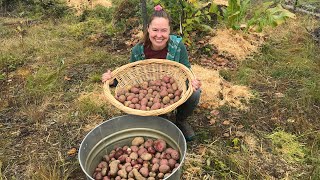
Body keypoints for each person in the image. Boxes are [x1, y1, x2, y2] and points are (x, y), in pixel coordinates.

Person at [102, 5, 201, 141]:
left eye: (164, 31)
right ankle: (159, 119)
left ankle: (180, 121)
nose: (159, 35)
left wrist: (193, 81)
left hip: (173, 85)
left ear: (169, 31)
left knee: (195, 93)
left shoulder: (178, 46)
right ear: (148, 29)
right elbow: (131, 75)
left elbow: (186, 69)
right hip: (149, 90)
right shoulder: (138, 50)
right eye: (155, 30)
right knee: (152, 114)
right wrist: (112, 80)